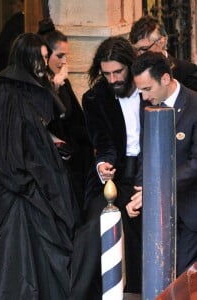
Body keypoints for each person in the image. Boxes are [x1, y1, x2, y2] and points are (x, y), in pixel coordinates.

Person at [0, 33, 78, 299]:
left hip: (27, 187)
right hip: (15, 198)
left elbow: (31, 134)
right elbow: (6, 153)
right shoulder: (7, 97)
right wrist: (32, 183)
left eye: (46, 58)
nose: (44, 64)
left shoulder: (22, 93)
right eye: (40, 58)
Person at [82, 36, 148, 295]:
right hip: (119, 172)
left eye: (118, 72)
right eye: (106, 73)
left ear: (130, 66)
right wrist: (102, 166)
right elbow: (102, 142)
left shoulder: (147, 85)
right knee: (123, 236)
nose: (113, 80)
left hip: (151, 166)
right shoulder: (95, 98)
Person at [127, 51, 197, 277]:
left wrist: (156, 189)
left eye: (147, 89)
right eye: (140, 91)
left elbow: (196, 164)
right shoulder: (147, 104)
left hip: (190, 212)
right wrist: (139, 194)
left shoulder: (195, 105)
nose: (144, 97)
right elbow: (145, 151)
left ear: (165, 79)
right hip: (158, 213)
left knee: (181, 279)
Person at [38, 18, 94, 212]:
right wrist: (55, 86)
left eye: (66, 56)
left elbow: (76, 118)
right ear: (46, 56)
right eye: (59, 56)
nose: (64, 62)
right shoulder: (40, 86)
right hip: (54, 165)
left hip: (74, 160)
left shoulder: (63, 81)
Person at [129, 15, 197, 91]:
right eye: (136, 50)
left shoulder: (187, 72)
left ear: (162, 41)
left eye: (144, 49)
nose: (139, 55)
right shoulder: (131, 74)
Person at [0, 0, 25, 78]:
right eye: (12, 4)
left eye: (15, 4)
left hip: (10, 62)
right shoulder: (15, 20)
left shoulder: (16, 20)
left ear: (21, 5)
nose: (13, 7)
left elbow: (3, 45)